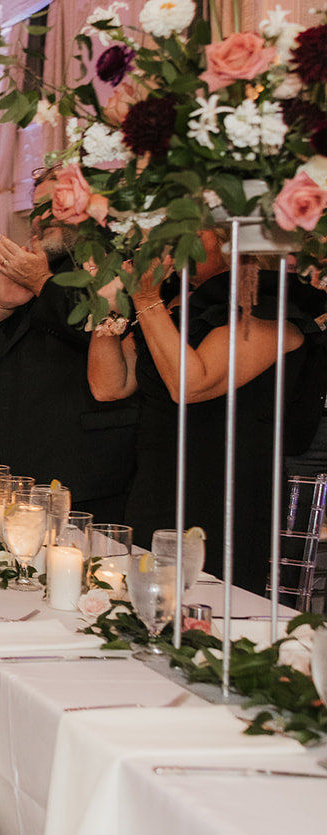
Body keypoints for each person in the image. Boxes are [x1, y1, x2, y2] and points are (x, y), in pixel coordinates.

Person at [89, 230, 327, 594]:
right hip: (158, 477)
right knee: (144, 592)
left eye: (193, 230)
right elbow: (109, 385)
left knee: (205, 601)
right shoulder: (175, 304)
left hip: (223, 486)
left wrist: (146, 299)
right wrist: (109, 307)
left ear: (235, 240)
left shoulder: (269, 310)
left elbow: (190, 385)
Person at [0, 224, 138, 523]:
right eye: (37, 207)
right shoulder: (29, 261)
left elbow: (97, 329)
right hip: (9, 451)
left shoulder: (112, 256)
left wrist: (42, 283)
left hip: (76, 459)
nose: (43, 217)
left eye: (53, 204)